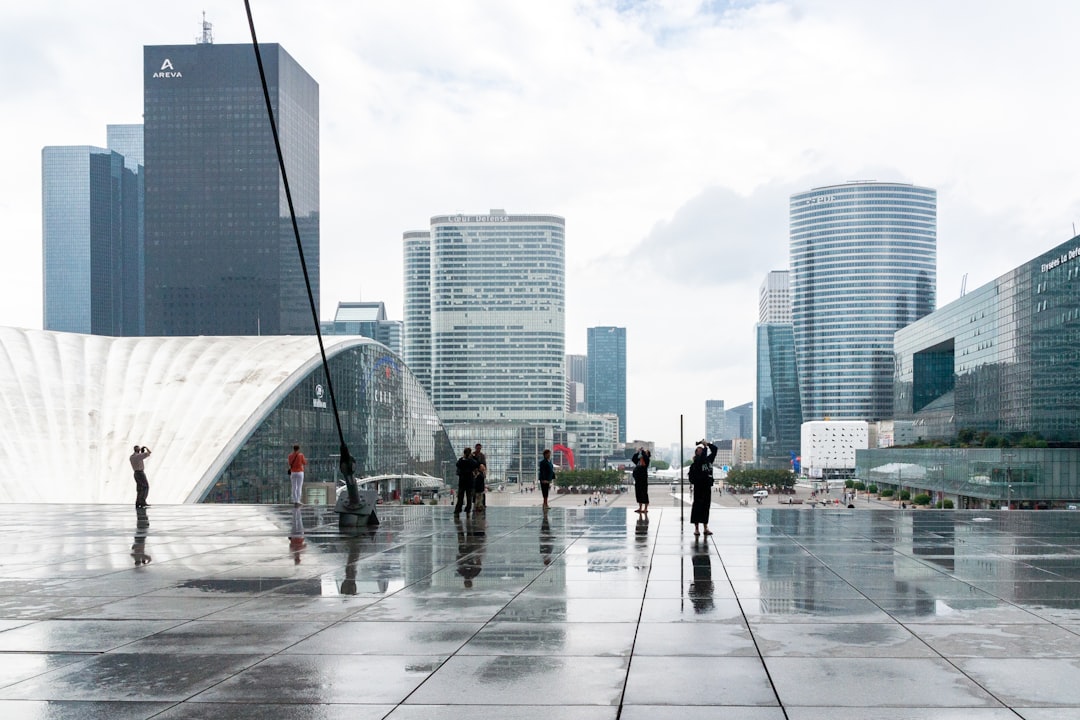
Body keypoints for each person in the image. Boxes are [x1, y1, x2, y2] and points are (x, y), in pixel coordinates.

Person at [689, 439, 718, 536]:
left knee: (706, 507)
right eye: (699, 450)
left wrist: (708, 444)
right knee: (697, 507)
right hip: (699, 487)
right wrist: (705, 447)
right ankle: (696, 528)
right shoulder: (696, 462)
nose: (701, 450)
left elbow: (715, 450)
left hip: (707, 487)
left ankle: (705, 527)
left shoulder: (709, 460)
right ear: (697, 453)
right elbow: (701, 459)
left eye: (702, 449)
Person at [453, 447, 479, 516]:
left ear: (464, 453)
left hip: (462, 481)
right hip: (469, 481)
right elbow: (476, 464)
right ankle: (468, 510)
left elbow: (457, 464)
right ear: (470, 453)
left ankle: (457, 510)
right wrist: (472, 457)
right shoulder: (471, 461)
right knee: (469, 497)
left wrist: (463, 457)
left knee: (460, 497)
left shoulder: (461, 461)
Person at [631, 448, 651, 514]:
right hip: (638, 479)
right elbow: (633, 458)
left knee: (644, 493)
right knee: (638, 493)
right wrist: (637, 452)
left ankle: (645, 508)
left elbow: (645, 457)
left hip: (643, 479)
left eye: (646, 452)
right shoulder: (639, 461)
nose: (644, 453)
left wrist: (642, 451)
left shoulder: (647, 459)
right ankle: (640, 507)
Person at [473, 443, 488, 512]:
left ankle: (482, 504)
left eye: (480, 448)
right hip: (474, 474)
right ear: (475, 448)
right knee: (475, 490)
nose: (479, 449)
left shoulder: (482, 455)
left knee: (481, 490)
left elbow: (484, 465)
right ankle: (475, 504)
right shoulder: (472, 455)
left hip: (480, 474)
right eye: (478, 448)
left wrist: (484, 472)